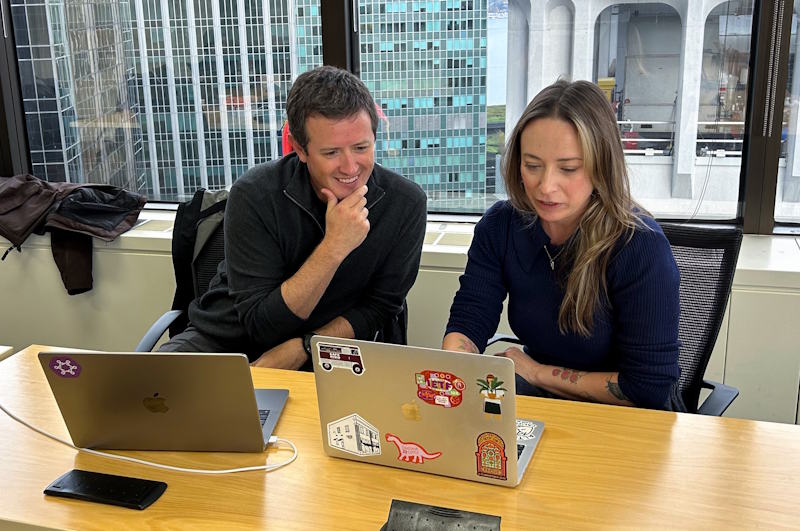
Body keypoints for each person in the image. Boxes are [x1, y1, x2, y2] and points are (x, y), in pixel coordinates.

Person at [160, 66, 427, 370]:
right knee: (144, 388)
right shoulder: (255, 193)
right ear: (300, 149)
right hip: (232, 336)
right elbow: (263, 325)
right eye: (331, 153)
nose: (350, 167)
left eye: (361, 147)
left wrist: (307, 346)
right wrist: (334, 246)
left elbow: (378, 308)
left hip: (331, 345)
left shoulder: (405, 204)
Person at [442, 79, 683, 411]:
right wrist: (456, 369)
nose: (546, 187)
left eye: (568, 169)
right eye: (532, 166)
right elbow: (470, 318)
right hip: (542, 403)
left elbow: (647, 388)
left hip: (627, 418)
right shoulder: (501, 226)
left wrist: (537, 373)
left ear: (601, 166)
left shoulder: (640, 246)